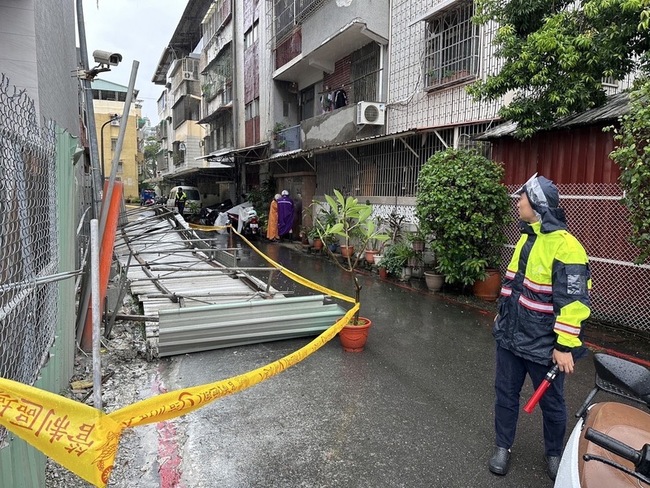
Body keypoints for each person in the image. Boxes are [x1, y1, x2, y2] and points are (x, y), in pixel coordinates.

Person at [489, 174, 591, 481]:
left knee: (553, 404)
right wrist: (501, 313)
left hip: (543, 345)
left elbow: (573, 302)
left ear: (537, 204)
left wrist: (564, 346)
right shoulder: (526, 238)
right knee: (505, 395)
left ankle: (554, 453)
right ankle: (502, 447)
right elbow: (513, 283)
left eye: (522, 198)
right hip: (510, 337)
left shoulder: (567, 247)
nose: (517, 202)